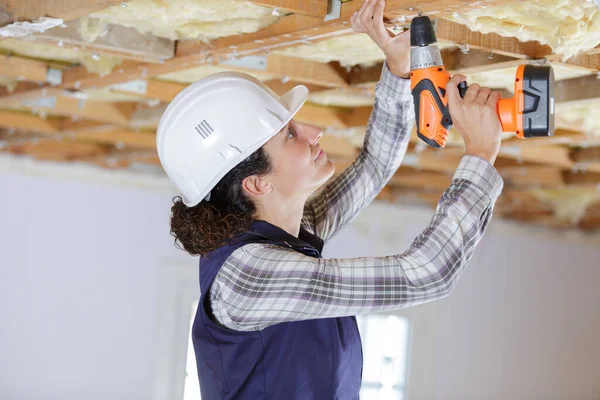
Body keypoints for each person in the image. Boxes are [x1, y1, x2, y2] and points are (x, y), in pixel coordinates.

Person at [156, 0, 504, 398]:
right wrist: (479, 154)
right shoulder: (249, 277)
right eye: (289, 135)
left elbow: (373, 166)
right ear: (256, 184)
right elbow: (425, 273)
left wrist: (397, 69)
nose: (314, 130)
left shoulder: (283, 236)